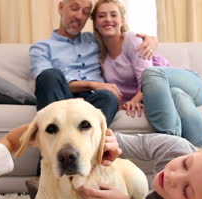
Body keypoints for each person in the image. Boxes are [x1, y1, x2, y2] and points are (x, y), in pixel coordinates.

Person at [91, 0, 202, 148]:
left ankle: (170, 143)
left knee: (150, 75)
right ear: (95, 22)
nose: (108, 19)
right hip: (170, 95)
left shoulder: (132, 40)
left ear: (122, 20)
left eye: (113, 15)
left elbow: (146, 79)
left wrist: (135, 100)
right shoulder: (99, 54)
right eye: (102, 16)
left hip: (189, 83)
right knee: (175, 95)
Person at [30, 0, 158, 126]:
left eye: (85, 12)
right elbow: (44, 81)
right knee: (50, 75)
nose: (79, 16)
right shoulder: (41, 47)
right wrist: (92, 84)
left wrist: (150, 40)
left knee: (109, 97)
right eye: (74, 8)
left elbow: (117, 37)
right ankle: (56, 135)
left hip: (94, 100)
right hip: (62, 97)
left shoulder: (95, 39)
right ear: (61, 8)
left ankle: (86, 140)